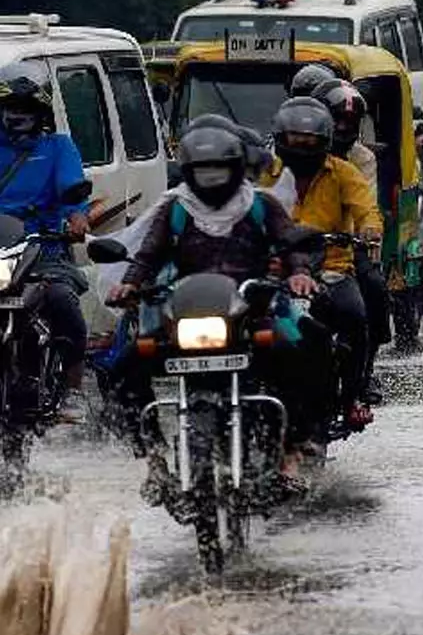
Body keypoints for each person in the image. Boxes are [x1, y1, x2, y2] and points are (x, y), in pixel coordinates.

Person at [106, 123, 322, 489]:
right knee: (124, 368)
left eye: (218, 170)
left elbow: (291, 243)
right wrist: (129, 284)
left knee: (303, 352)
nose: (211, 179)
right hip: (189, 313)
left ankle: (291, 452)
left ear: (236, 168)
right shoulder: (177, 208)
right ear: (189, 172)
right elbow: (148, 255)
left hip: (250, 311)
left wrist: (299, 272)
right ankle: (153, 459)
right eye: (203, 171)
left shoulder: (260, 204)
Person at [262, 98, 383, 426]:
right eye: (294, 138)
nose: (302, 145)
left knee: (355, 316)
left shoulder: (344, 172)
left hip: (332, 267)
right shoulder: (264, 172)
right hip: (274, 269)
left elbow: (365, 207)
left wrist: (370, 229)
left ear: (325, 141)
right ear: (280, 138)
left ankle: (352, 396)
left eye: (310, 139)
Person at [0, 63, 91, 417]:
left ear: (41, 113)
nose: (16, 116)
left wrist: (77, 217)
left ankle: (72, 389)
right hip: (0, 252)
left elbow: (73, 191)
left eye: (25, 109)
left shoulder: (58, 147)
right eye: (11, 108)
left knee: (62, 302)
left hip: (43, 250)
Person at [311, 79, 390, 400]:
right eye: (336, 121)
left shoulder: (357, 162)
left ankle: (363, 372)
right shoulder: (280, 159)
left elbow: (365, 206)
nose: (343, 128)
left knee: (373, 291)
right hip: (291, 251)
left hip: (340, 248)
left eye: (350, 122)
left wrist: (367, 232)